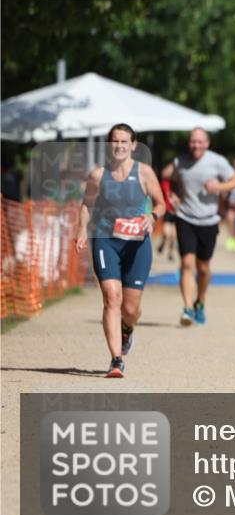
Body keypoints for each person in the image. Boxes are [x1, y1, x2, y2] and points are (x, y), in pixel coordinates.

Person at [75, 124, 166, 377]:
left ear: (133, 145)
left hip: (137, 244)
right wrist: (82, 229)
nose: (119, 146)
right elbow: (86, 206)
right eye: (115, 141)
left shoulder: (145, 173)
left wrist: (152, 216)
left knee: (130, 308)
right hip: (106, 239)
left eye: (124, 141)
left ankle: (128, 328)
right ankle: (116, 360)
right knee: (111, 298)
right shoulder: (98, 175)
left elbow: (161, 203)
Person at [171, 128, 235, 326]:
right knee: (186, 264)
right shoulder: (180, 162)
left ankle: (200, 301)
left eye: (200, 142)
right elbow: (172, 181)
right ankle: (187, 308)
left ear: (207, 143)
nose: (196, 145)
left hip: (209, 220)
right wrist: (174, 195)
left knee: (203, 268)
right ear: (189, 143)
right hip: (185, 218)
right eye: (193, 141)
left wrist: (218, 187)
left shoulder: (217, 161)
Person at [157, 163, 178, 261]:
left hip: (176, 213)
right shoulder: (164, 183)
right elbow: (163, 173)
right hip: (167, 211)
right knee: (166, 233)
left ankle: (170, 253)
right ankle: (163, 242)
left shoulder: (179, 184)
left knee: (173, 235)